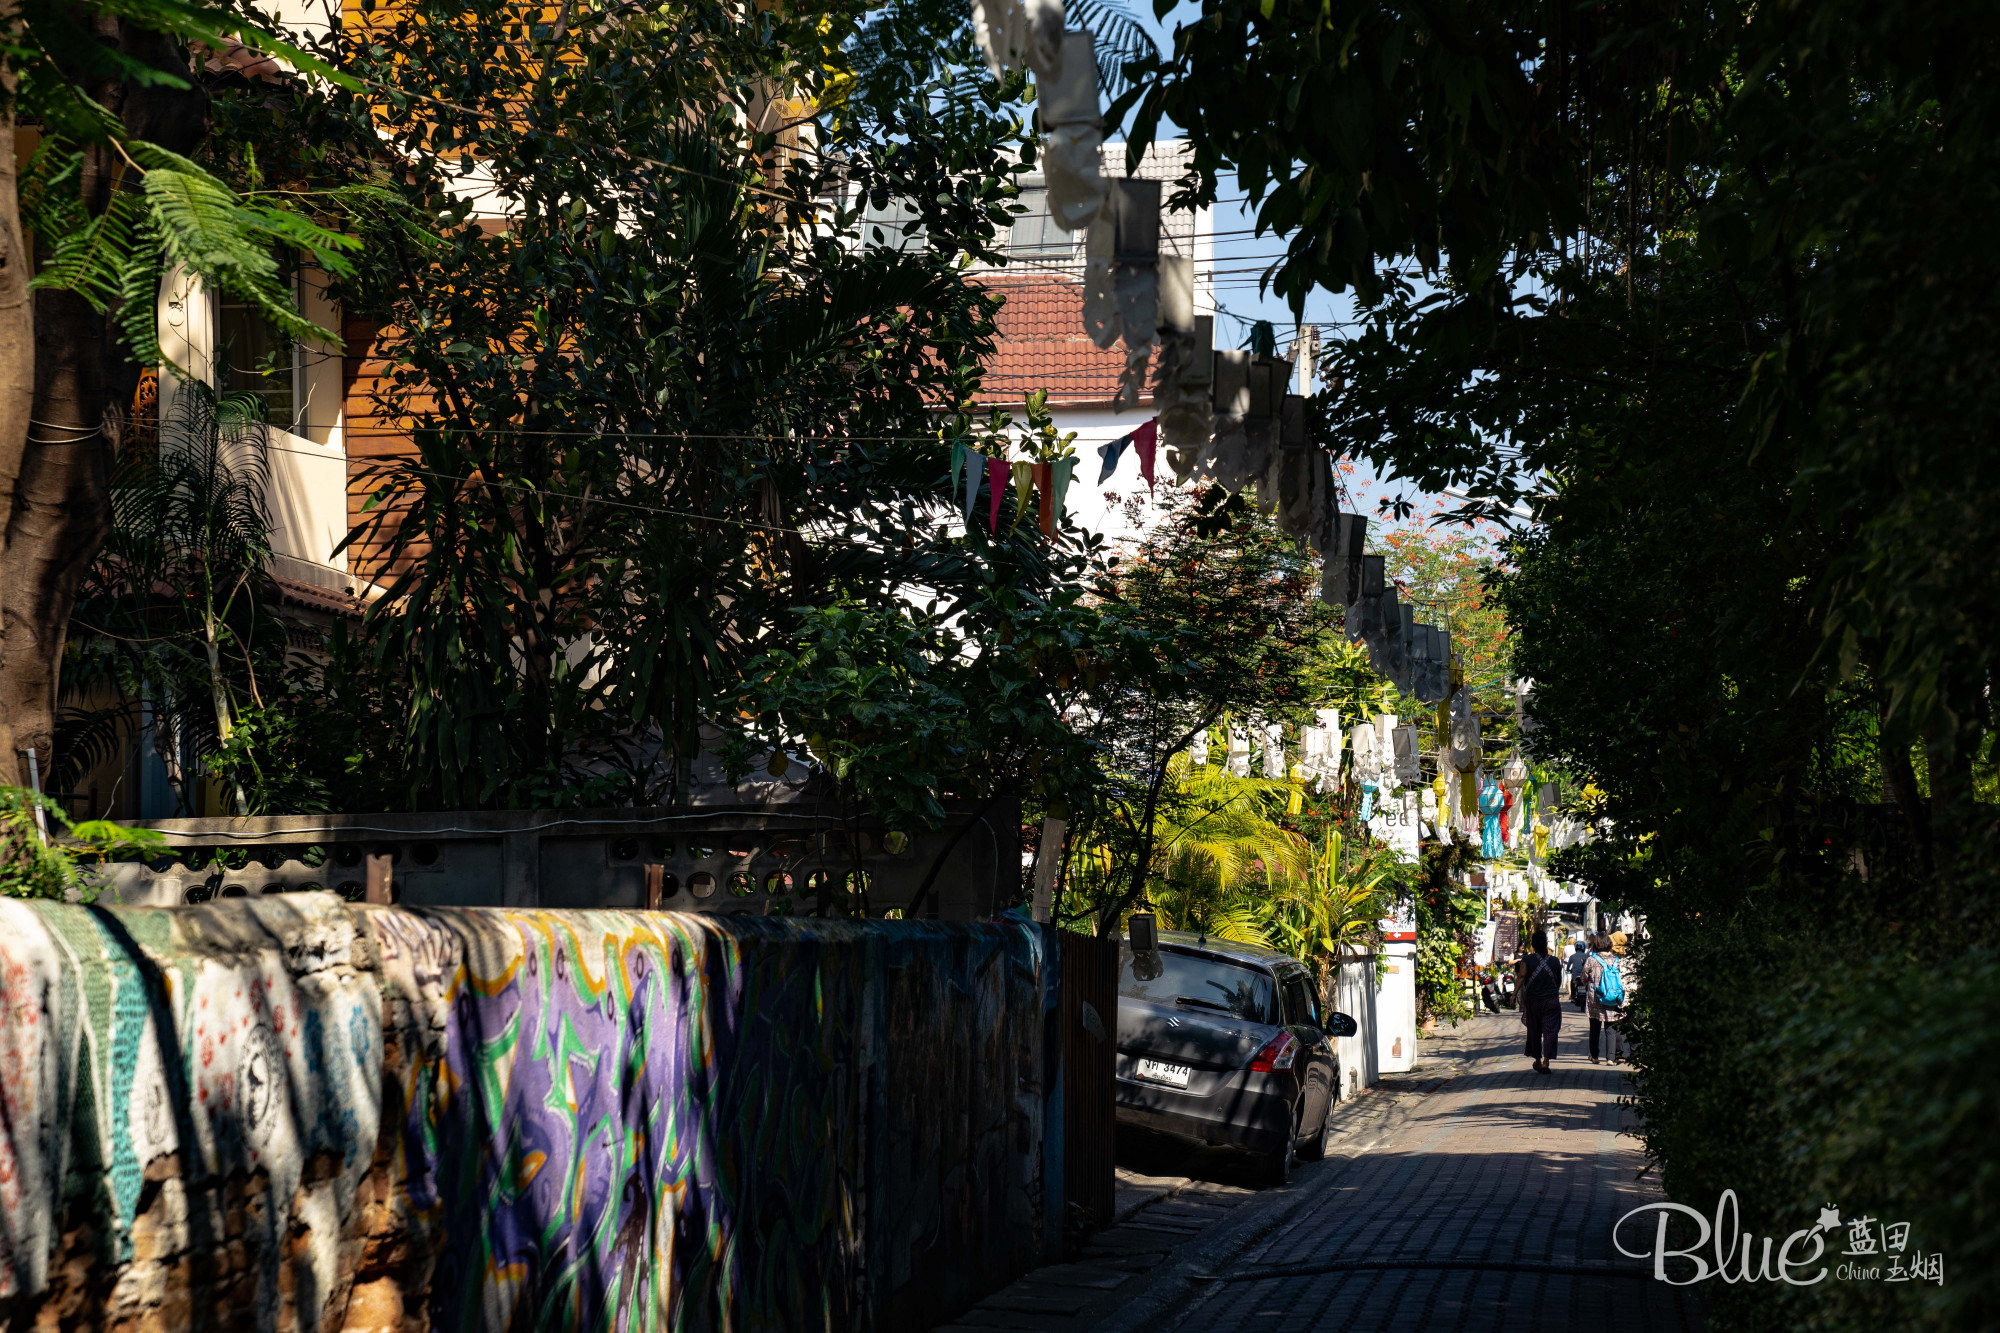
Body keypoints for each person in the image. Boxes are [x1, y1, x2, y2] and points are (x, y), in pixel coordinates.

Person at [1515, 928, 1564, 1074]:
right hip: (1551, 1002)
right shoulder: (1555, 961)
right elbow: (1558, 981)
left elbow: (1522, 976)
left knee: (1534, 1031)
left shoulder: (1527, 960)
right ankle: (1546, 1061)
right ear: (1546, 944)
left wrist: (1513, 995)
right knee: (1550, 1031)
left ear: (1533, 945)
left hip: (1533, 1002)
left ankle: (1537, 1059)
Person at [1585, 931, 1634, 1063]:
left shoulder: (1591, 959)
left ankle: (1594, 1056)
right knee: (1611, 1027)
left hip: (1595, 997)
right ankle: (1611, 1058)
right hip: (1612, 997)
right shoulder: (1616, 960)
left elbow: (1584, 978)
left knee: (1594, 1026)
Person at [1565, 935, 1590, 1010]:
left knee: (1572, 983)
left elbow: (1568, 967)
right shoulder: (1587, 956)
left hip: (1575, 976)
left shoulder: (1572, 956)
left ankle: (1572, 996)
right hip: (1585, 976)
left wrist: (1569, 970)